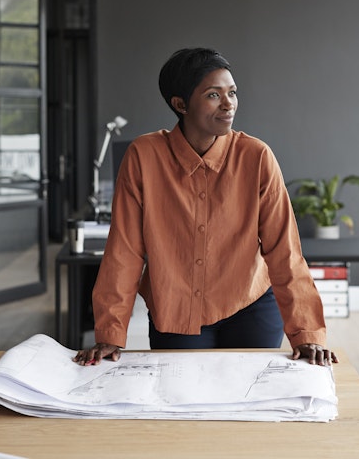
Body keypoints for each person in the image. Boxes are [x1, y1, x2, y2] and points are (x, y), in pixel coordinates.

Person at [74, 47, 338, 367]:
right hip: (175, 310)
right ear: (180, 104)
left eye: (232, 93)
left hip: (250, 306)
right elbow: (125, 249)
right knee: (183, 405)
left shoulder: (256, 157)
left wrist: (307, 332)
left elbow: (285, 251)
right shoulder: (143, 156)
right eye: (214, 94)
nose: (229, 104)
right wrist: (109, 334)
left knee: (249, 404)